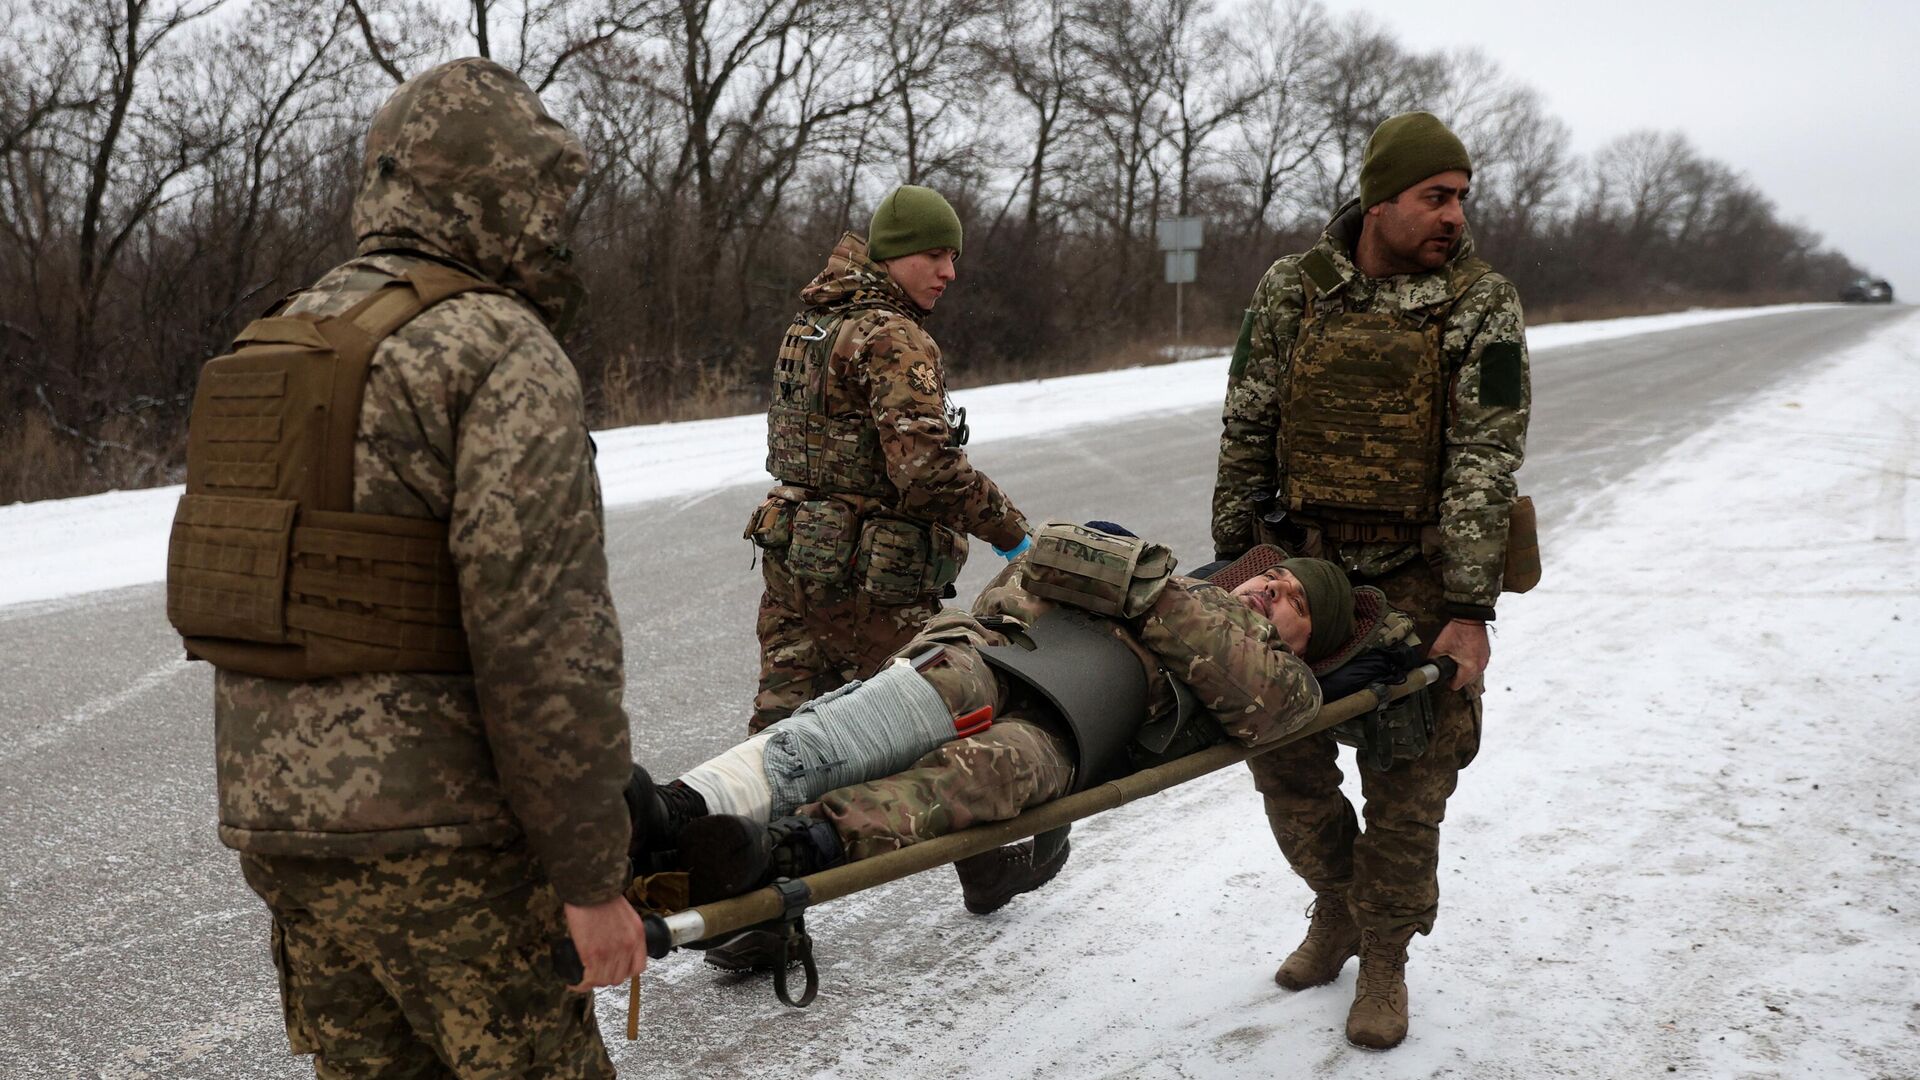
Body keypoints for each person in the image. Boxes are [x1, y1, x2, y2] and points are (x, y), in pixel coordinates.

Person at [165, 59, 641, 1076]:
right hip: (444, 850)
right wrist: (593, 879)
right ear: (498, 187)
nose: (561, 219)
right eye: (549, 192)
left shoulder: (274, 339)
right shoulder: (496, 348)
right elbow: (545, 642)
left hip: (283, 837)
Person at [630, 525, 1417, 917]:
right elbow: (1036, 567)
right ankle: (680, 807)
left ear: (1312, 643)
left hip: (1075, 737)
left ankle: (789, 847)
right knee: (882, 713)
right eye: (1270, 578)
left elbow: (1254, 695)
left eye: (1293, 601)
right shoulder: (1184, 588)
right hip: (1009, 656)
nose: (1266, 593)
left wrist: (1134, 584)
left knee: (980, 780)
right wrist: (1150, 591)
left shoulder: (1291, 687)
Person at [1210, 111, 1532, 1050]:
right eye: (1436, 197)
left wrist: (1471, 610)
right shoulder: (1292, 290)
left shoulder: (1481, 303)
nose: (1454, 217)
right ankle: (1336, 906)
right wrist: (1237, 557)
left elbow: (1485, 457)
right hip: (1307, 568)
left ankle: (1385, 956)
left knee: (1408, 774)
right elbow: (1247, 427)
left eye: (1463, 197)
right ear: (1380, 201)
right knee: (1280, 751)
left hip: (1423, 576)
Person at [745, 184, 1032, 735]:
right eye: (934, 256)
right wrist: (1010, 531)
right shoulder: (892, 334)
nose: (948, 272)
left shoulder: (812, 325)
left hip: (796, 563)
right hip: (872, 584)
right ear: (892, 255)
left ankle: (750, 819)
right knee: (900, 735)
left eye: (952, 257)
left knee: (782, 735)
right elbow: (927, 472)